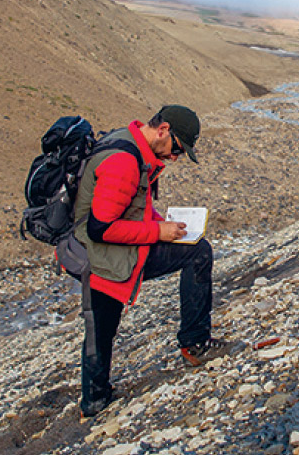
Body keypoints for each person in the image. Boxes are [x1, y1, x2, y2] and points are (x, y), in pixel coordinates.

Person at [71, 104, 237, 418]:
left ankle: (95, 399)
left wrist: (160, 222)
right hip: (101, 252)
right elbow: (101, 227)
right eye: (176, 148)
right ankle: (196, 344)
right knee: (198, 252)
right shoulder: (125, 161)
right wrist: (158, 230)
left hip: (90, 250)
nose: (175, 157)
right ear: (163, 130)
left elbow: (125, 206)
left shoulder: (130, 143)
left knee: (101, 324)